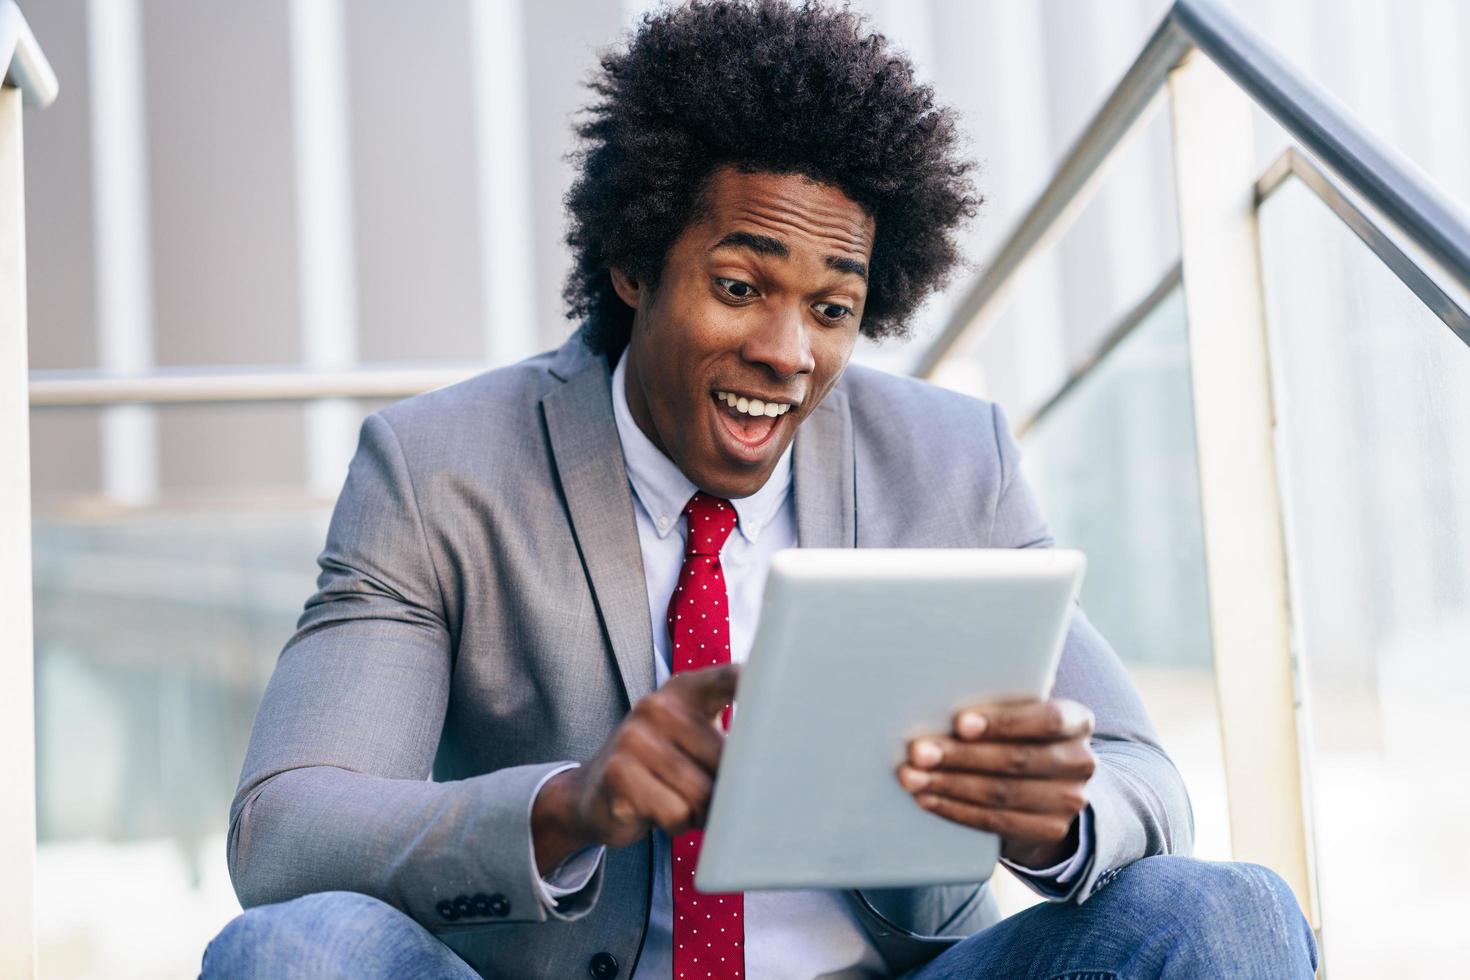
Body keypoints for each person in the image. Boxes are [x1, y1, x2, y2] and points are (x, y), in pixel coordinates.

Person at [202, 2, 1317, 977]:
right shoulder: (440, 468)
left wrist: (1053, 818)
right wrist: (569, 804)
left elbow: (1145, 783)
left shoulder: (948, 459)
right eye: (740, 286)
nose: (790, 352)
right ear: (635, 263)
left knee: (1230, 910)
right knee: (293, 954)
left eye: (832, 308)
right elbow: (287, 829)